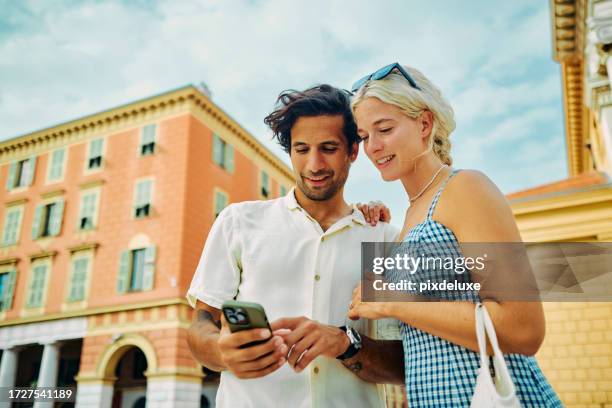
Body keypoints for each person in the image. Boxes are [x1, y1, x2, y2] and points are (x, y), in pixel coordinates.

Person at [348, 63, 562, 407]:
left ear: (424, 123)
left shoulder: (465, 188)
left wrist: (393, 300)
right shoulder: (410, 216)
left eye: (384, 128)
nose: (372, 146)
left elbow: (525, 329)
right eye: (363, 135)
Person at [186, 84, 403, 408]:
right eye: (302, 149)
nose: (314, 165)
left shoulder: (382, 238)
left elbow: (403, 364)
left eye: (328, 148)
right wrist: (220, 350)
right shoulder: (239, 222)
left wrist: (345, 342)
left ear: (353, 151)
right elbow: (201, 325)